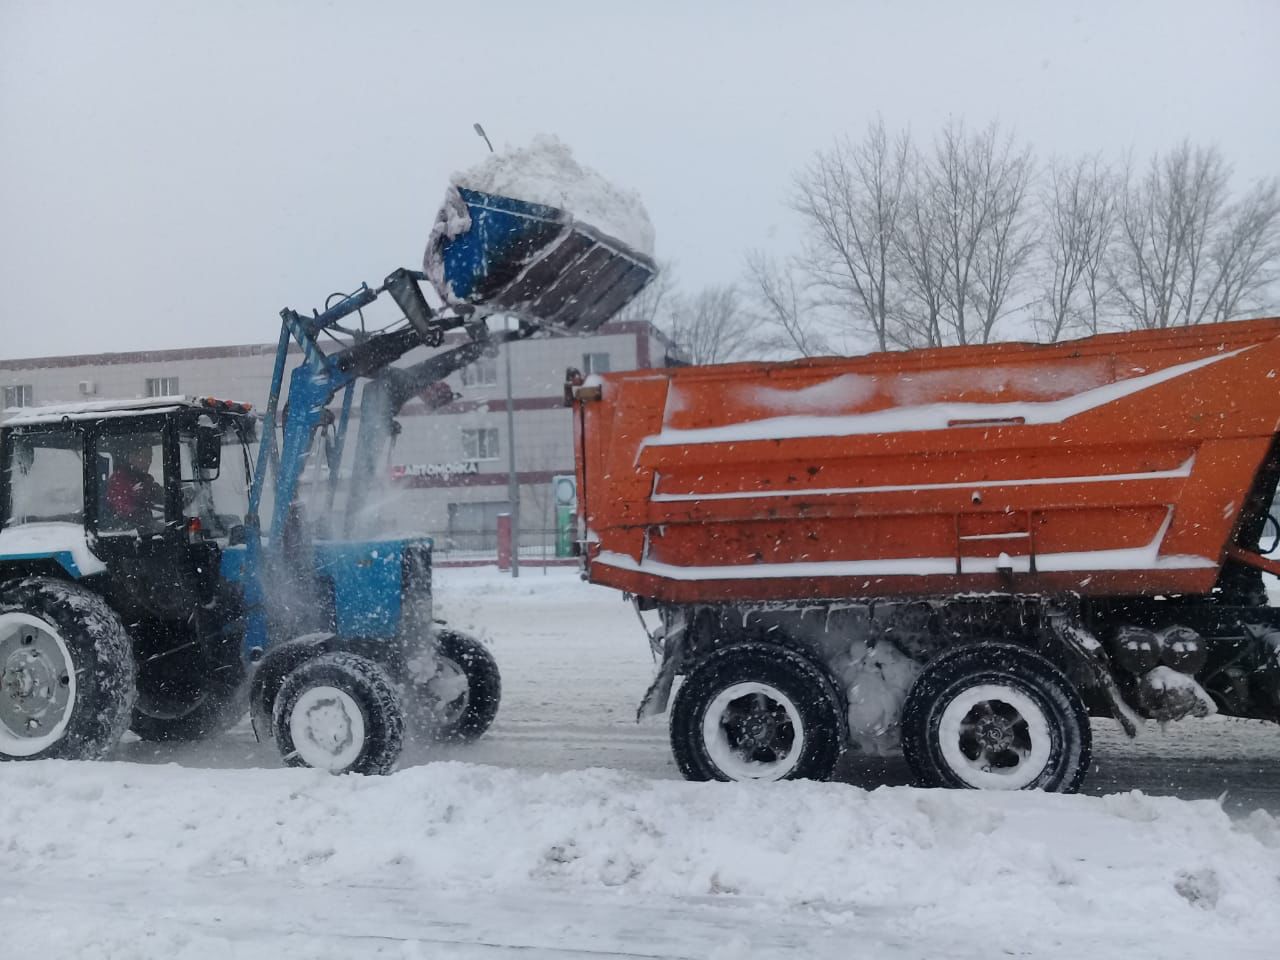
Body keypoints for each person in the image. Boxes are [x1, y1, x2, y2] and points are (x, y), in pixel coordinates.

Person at [105, 439, 165, 529]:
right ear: (132, 458)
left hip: (144, 530)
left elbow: (157, 494)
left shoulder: (145, 479)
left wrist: (175, 497)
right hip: (126, 533)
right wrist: (149, 522)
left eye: (150, 457)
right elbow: (124, 508)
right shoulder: (119, 480)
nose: (149, 461)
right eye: (145, 456)